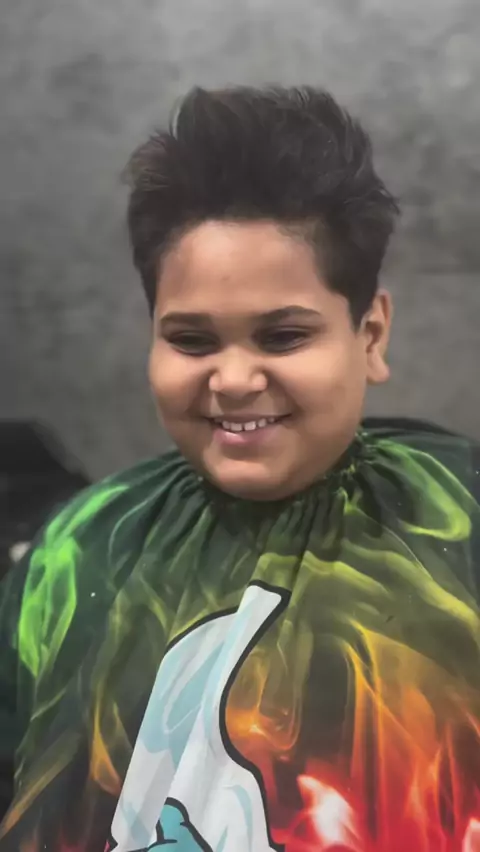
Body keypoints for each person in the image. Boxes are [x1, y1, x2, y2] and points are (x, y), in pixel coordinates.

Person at [0, 85, 479, 852]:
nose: (231, 380)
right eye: (191, 341)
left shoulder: (463, 527)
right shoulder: (75, 552)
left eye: (283, 337)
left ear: (370, 335)